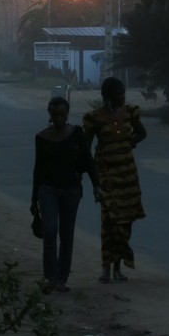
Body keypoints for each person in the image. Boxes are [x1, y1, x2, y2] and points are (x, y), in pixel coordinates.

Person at [31, 96, 101, 293]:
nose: (59, 118)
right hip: (47, 190)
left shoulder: (76, 133)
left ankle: (62, 279)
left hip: (71, 190)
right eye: (55, 115)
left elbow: (88, 160)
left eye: (62, 114)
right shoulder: (42, 137)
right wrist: (33, 200)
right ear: (50, 115)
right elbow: (38, 168)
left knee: (67, 235)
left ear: (67, 114)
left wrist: (97, 185)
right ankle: (49, 277)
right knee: (50, 231)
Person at [83, 76, 147, 283]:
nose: (122, 98)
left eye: (123, 94)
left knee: (125, 223)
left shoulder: (131, 112)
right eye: (118, 95)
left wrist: (129, 144)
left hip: (128, 175)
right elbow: (85, 149)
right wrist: (94, 181)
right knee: (109, 222)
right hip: (106, 175)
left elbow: (142, 133)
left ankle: (118, 267)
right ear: (107, 97)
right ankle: (105, 268)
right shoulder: (94, 118)